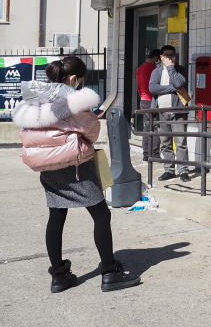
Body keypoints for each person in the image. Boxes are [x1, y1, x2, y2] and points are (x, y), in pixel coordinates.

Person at [12, 55, 141, 293]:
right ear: (73, 78)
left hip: (48, 166)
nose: (80, 84)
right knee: (101, 214)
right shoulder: (72, 99)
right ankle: (110, 273)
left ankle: (59, 276)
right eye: (80, 80)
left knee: (56, 216)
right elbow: (91, 129)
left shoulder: (33, 99)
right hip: (76, 164)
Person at [149, 45, 190, 182]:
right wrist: (171, 88)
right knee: (165, 143)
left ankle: (183, 171)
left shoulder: (181, 70)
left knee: (181, 142)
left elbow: (178, 83)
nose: (170, 57)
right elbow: (152, 88)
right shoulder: (156, 72)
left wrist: (171, 68)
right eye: (167, 55)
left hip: (178, 111)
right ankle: (169, 170)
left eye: (172, 55)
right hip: (161, 112)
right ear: (161, 57)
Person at [136, 49, 161, 161]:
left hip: (143, 100)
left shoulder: (140, 68)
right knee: (155, 127)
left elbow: (139, 86)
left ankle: (146, 154)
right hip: (152, 100)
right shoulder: (153, 69)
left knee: (147, 127)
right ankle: (154, 153)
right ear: (156, 58)